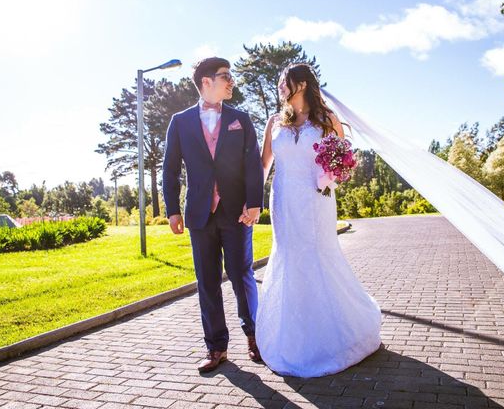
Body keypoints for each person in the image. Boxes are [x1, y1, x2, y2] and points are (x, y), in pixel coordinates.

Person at [255, 63, 382, 377]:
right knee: (289, 260)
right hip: (284, 202)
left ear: (301, 84)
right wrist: (249, 201)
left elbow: (344, 163)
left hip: (316, 200)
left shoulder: (327, 120)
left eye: (284, 82)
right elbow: (262, 168)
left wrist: (333, 174)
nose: (280, 87)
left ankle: (340, 334)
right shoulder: (274, 122)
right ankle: (294, 338)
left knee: (319, 259)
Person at [162, 57, 264, 373]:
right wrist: (173, 210)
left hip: (236, 213)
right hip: (199, 215)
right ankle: (216, 347)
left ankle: (255, 337)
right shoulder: (180, 122)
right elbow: (169, 169)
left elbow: (252, 165)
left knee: (241, 275)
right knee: (207, 283)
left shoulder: (241, 119)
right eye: (225, 76)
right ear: (207, 82)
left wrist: (254, 202)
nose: (231, 81)